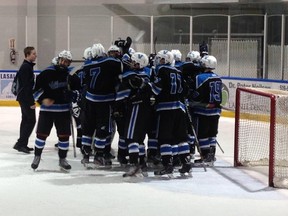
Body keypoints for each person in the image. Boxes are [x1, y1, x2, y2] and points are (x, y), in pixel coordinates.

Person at [31, 50, 81, 171]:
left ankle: (62, 159)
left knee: (64, 136)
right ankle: (37, 156)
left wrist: (73, 95)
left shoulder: (71, 75)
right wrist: (43, 100)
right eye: (62, 60)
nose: (64, 63)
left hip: (63, 111)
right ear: (58, 59)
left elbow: (77, 90)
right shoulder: (46, 73)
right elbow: (35, 91)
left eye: (67, 61)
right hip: (47, 111)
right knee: (41, 135)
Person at [80, 43, 123, 167]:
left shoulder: (86, 65)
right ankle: (99, 155)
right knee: (102, 130)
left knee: (88, 130)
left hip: (89, 101)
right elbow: (120, 66)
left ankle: (86, 155)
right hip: (104, 102)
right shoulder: (108, 62)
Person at [150, 50, 191, 176]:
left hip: (166, 109)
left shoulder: (161, 70)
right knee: (181, 138)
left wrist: (148, 86)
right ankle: (186, 163)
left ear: (166, 60)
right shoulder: (178, 71)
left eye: (161, 59)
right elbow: (185, 90)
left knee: (165, 138)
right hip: (179, 109)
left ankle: (167, 165)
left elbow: (157, 89)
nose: (159, 61)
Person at [114, 52, 152, 176]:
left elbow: (121, 94)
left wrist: (117, 108)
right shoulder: (148, 74)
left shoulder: (131, 76)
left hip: (136, 108)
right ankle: (142, 163)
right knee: (140, 139)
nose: (132, 64)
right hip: (147, 110)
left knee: (131, 138)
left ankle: (134, 165)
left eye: (134, 62)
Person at [189, 55, 222, 166]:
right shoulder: (218, 77)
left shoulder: (200, 77)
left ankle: (205, 156)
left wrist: (191, 100)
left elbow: (196, 95)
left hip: (203, 110)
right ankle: (211, 156)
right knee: (212, 134)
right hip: (216, 111)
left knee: (202, 134)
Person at [13, 46, 37, 154]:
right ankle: (20, 143)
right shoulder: (26, 67)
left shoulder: (27, 66)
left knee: (26, 120)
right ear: (27, 54)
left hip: (23, 97)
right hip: (25, 98)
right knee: (30, 120)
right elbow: (27, 86)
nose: (35, 55)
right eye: (33, 54)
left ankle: (22, 143)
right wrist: (31, 102)